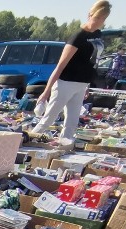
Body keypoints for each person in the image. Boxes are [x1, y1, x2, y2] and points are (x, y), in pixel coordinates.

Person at [31, 1, 111, 142]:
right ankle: (25, 141)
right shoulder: (78, 37)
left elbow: (93, 62)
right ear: (89, 15)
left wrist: (87, 85)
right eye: (97, 18)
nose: (99, 22)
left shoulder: (98, 35)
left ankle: (64, 146)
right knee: (49, 118)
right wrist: (46, 91)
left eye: (103, 19)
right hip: (66, 82)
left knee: (72, 122)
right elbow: (60, 66)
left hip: (82, 83)